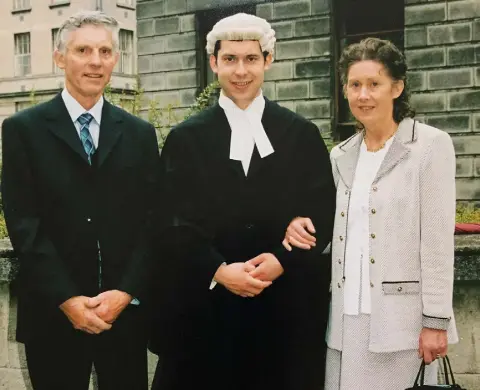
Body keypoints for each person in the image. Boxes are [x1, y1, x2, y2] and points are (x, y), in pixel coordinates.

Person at [149, 13, 336, 390]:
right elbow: (170, 221)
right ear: (214, 63)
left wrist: (282, 261)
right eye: (230, 59)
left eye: (251, 58)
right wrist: (218, 270)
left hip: (284, 310)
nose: (241, 71)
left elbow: (324, 211)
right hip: (207, 310)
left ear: (268, 60)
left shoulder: (301, 134)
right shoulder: (186, 139)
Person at [282, 37, 459, 390]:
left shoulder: (429, 146)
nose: (363, 95)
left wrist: (436, 321)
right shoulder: (340, 155)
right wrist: (294, 225)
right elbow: (331, 230)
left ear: (397, 87)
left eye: (374, 84)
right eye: (354, 85)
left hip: (403, 325)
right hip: (345, 323)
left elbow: (438, 241)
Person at [1, 11, 160, 390]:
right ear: (60, 57)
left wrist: (125, 293)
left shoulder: (139, 134)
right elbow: (24, 223)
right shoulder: (23, 130)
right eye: (83, 50)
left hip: (124, 316)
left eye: (105, 51)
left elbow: (153, 219)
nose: (95, 61)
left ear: (115, 59)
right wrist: (68, 298)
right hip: (53, 314)